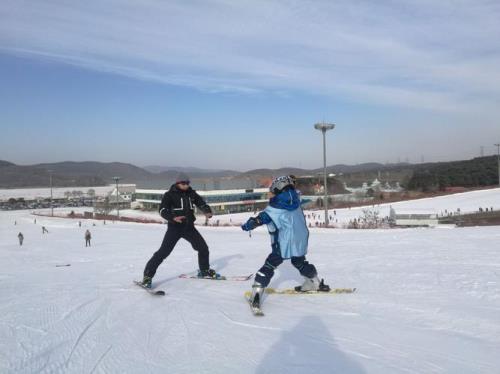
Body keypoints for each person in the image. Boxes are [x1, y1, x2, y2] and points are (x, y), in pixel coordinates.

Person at [241, 175, 330, 308]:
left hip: (283, 243)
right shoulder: (296, 202)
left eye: (273, 191)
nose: (271, 194)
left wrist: (246, 226)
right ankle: (315, 282)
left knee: (270, 265)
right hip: (300, 240)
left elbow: (257, 221)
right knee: (299, 261)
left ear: (278, 190)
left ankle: (256, 295)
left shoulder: (273, 209)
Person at [141, 173, 217, 288]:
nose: (186, 185)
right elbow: (162, 210)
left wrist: (207, 211)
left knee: (203, 248)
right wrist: (172, 218)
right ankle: (147, 277)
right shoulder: (169, 195)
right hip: (174, 228)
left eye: (187, 183)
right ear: (177, 183)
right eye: (183, 183)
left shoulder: (192, 193)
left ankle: (204, 271)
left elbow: (201, 203)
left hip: (189, 228)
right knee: (163, 252)